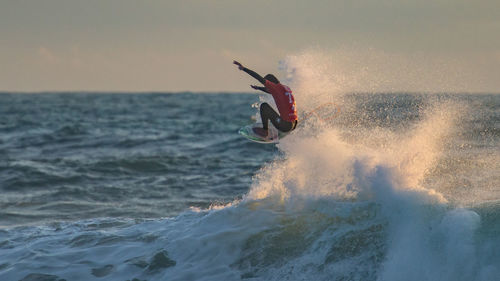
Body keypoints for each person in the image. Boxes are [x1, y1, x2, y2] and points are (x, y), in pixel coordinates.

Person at [233, 60, 298, 137]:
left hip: (285, 126)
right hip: (294, 124)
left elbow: (258, 77)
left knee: (264, 106)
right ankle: (281, 124)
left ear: (271, 83)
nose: (267, 88)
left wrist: (244, 68)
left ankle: (265, 131)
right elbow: (273, 92)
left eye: (267, 86)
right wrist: (259, 88)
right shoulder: (285, 88)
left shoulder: (275, 87)